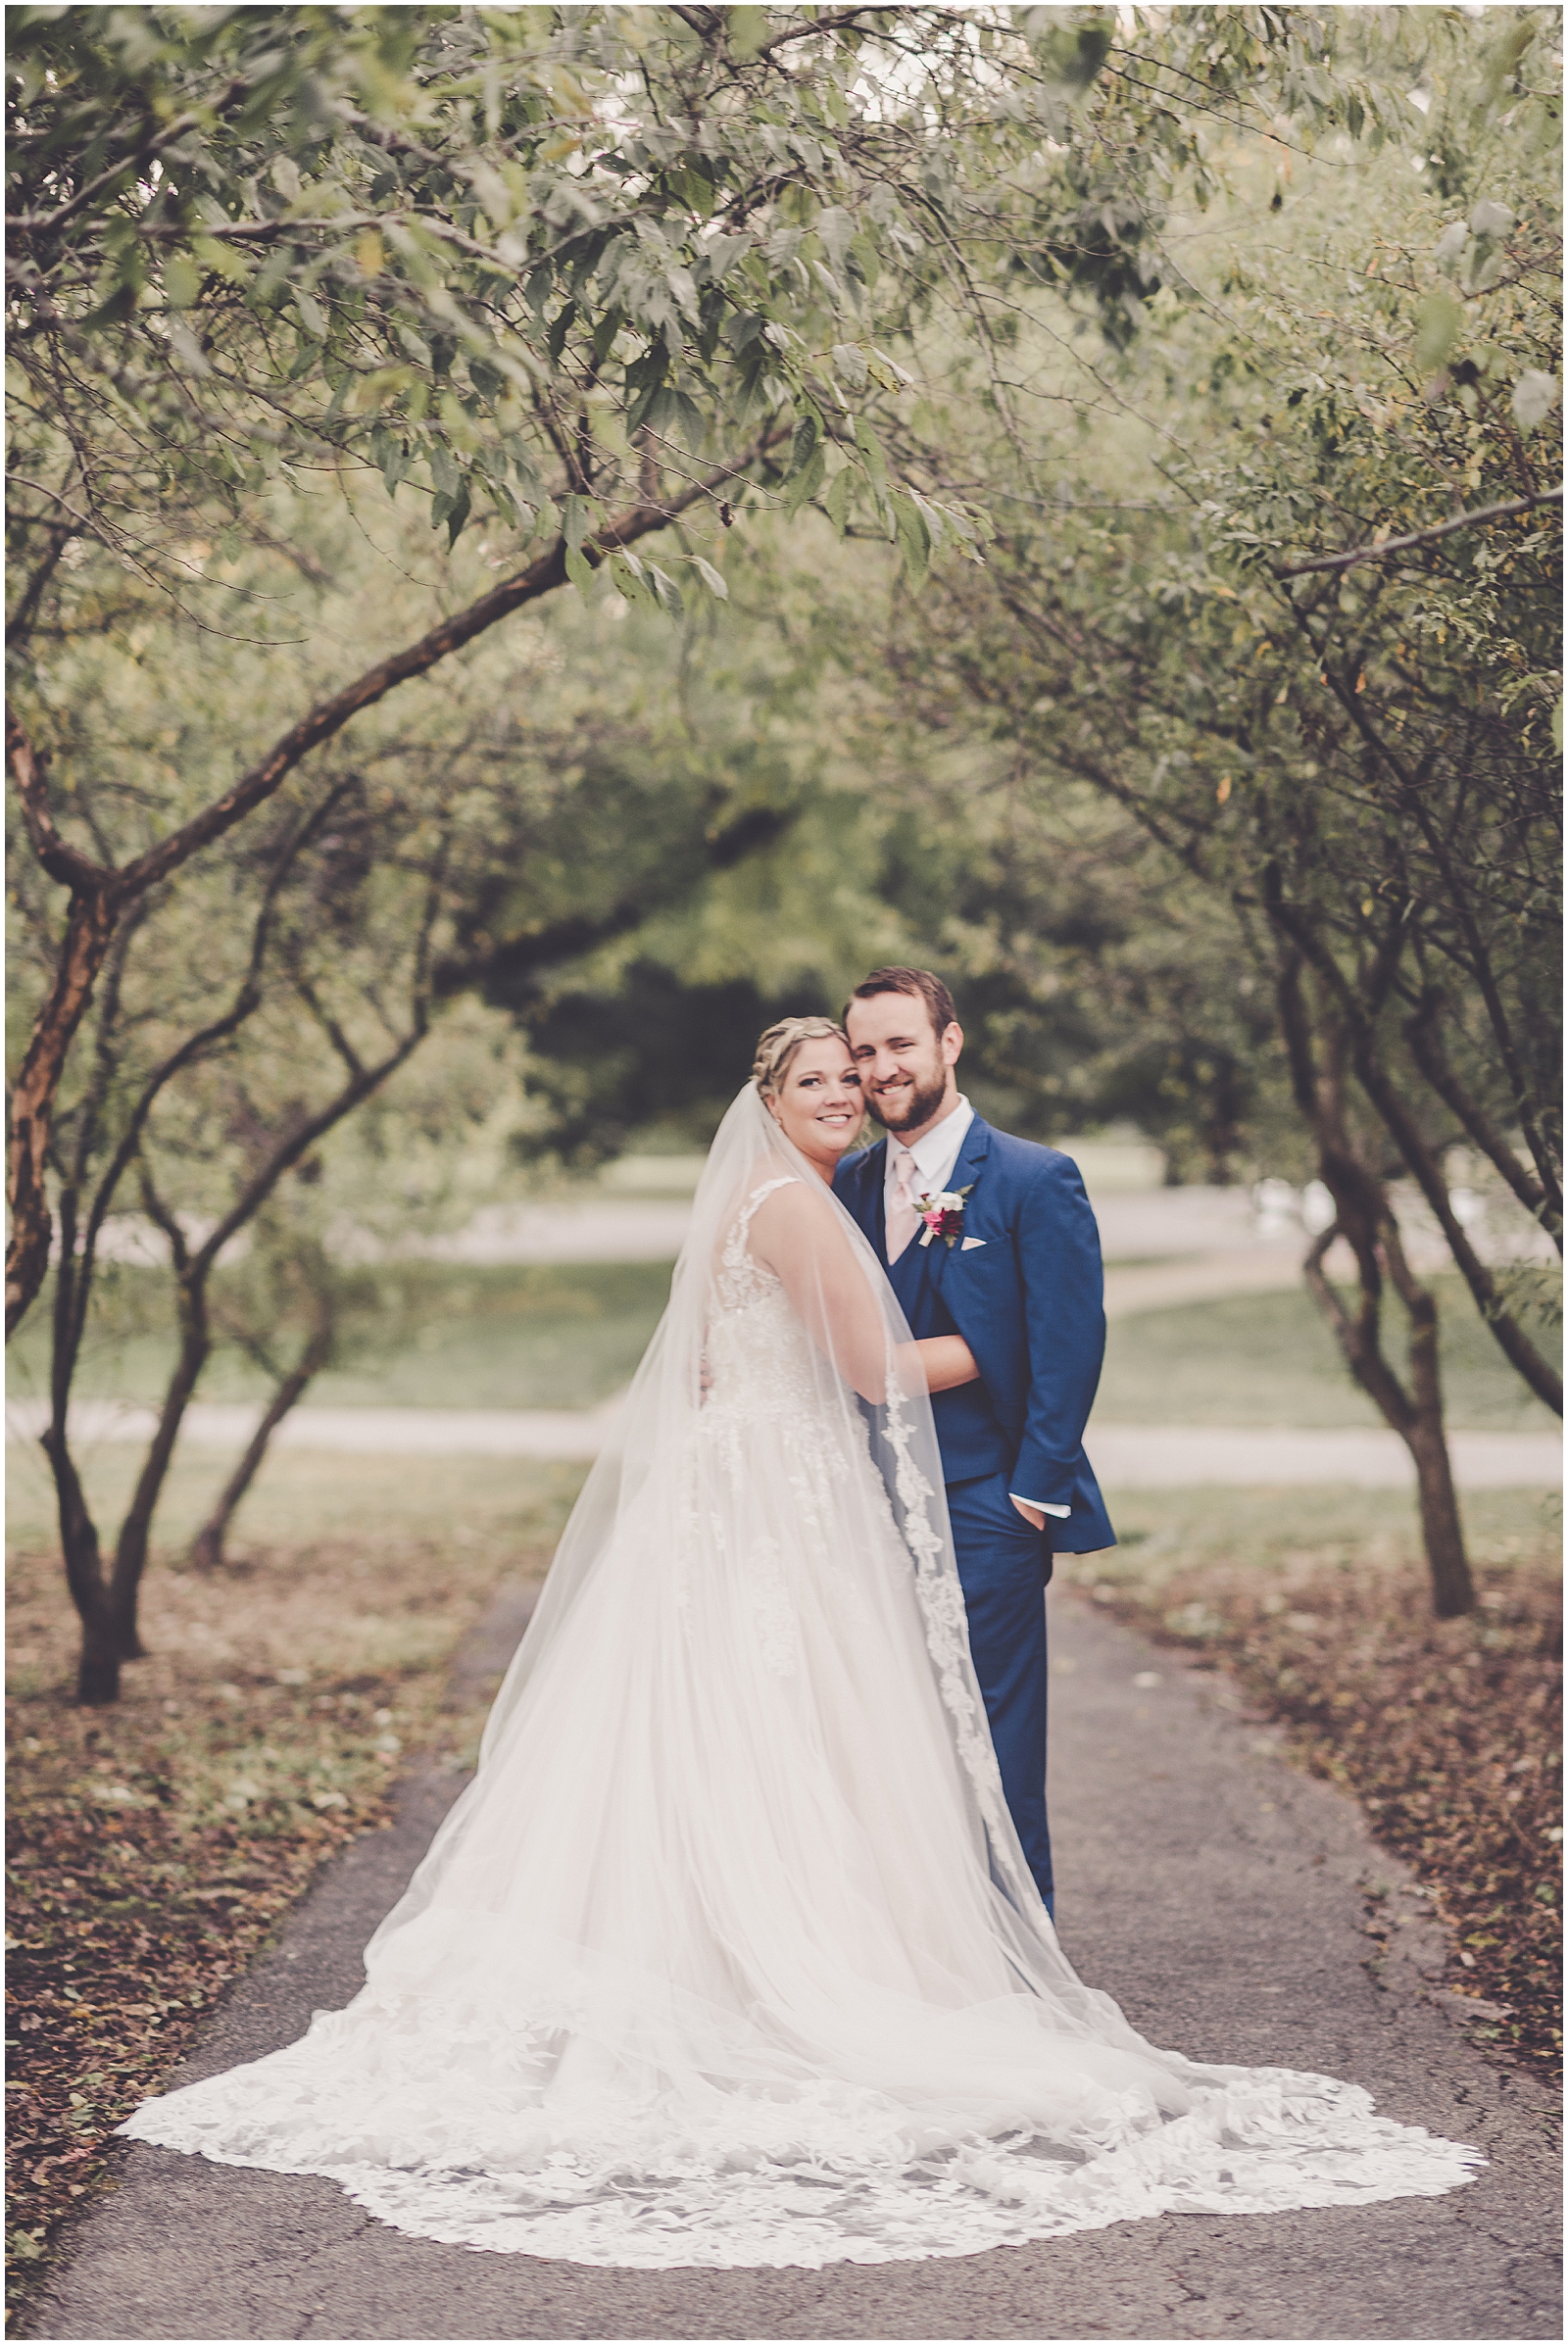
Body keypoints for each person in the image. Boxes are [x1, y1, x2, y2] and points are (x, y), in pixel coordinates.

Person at [121, 1017, 1477, 2270]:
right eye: (818, 1079)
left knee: (747, 1731)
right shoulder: (791, 1203)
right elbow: (876, 1369)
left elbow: (724, 1366)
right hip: (776, 1503)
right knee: (783, 1728)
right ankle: (813, 1974)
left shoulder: (771, 1199)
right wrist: (995, 1342)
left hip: (750, 1491)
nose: (844, 1092)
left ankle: (762, 1948)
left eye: (855, 1073)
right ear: (769, 1102)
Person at [835, 966, 1109, 1917]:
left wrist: (1033, 1491)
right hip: (862, 1506)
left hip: (990, 1501)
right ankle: (912, 1948)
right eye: (863, 1052)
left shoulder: (1035, 1178)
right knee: (880, 1735)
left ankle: (1021, 1965)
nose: (880, 1068)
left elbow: (1069, 1343)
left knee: (993, 1740)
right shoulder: (849, 1180)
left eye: (899, 1043)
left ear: (949, 1043)